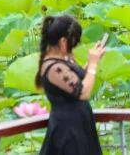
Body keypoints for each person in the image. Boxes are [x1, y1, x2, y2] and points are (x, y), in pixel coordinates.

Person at [36, 15, 106, 155]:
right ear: (63, 41)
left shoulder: (63, 61)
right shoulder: (54, 68)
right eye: (73, 42)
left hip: (80, 126)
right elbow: (82, 92)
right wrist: (92, 64)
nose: (74, 46)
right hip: (67, 132)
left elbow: (77, 81)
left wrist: (92, 61)